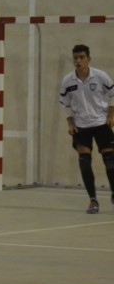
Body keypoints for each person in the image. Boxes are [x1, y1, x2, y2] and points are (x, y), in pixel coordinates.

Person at [59, 44, 114, 213]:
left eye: (82, 57)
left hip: (101, 123)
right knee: (84, 163)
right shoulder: (68, 81)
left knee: (110, 161)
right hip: (81, 126)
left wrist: (111, 116)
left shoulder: (100, 76)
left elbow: (112, 95)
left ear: (89, 59)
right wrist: (70, 123)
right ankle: (93, 200)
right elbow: (66, 104)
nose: (78, 60)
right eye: (75, 57)